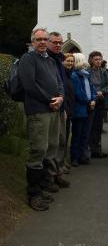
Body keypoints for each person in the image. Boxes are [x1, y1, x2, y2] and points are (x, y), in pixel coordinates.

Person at [19, 28, 64, 211]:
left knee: (51, 147)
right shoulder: (28, 59)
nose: (43, 42)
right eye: (39, 39)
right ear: (32, 41)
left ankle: (43, 185)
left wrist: (60, 97)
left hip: (53, 110)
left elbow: (59, 82)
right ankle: (33, 194)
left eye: (45, 39)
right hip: (38, 111)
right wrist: (49, 100)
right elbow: (29, 85)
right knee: (38, 150)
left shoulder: (50, 61)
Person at [47, 32, 70, 187]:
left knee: (62, 140)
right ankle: (50, 176)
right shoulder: (46, 59)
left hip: (62, 107)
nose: (57, 45)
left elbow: (63, 83)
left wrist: (65, 106)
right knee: (51, 143)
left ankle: (59, 171)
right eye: (54, 42)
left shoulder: (60, 59)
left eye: (60, 42)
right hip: (49, 106)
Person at [70, 53, 96, 167]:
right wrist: (88, 101)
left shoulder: (86, 74)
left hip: (88, 107)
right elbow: (78, 93)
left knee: (85, 134)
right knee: (77, 134)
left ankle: (82, 155)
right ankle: (75, 157)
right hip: (80, 108)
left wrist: (94, 99)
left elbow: (92, 88)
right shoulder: (74, 76)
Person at [88, 51, 108, 159]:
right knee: (90, 126)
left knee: (98, 126)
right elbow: (87, 85)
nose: (98, 61)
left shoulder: (104, 72)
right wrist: (95, 92)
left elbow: (107, 86)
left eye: (99, 59)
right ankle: (88, 149)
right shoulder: (87, 72)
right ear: (91, 60)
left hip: (101, 102)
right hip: (91, 102)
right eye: (96, 59)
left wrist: (102, 90)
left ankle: (96, 150)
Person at [62, 53, 75, 167]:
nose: (70, 63)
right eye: (68, 61)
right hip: (63, 111)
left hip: (69, 110)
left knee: (66, 137)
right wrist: (64, 109)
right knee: (62, 138)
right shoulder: (62, 75)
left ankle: (64, 160)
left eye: (72, 61)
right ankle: (61, 162)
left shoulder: (70, 74)